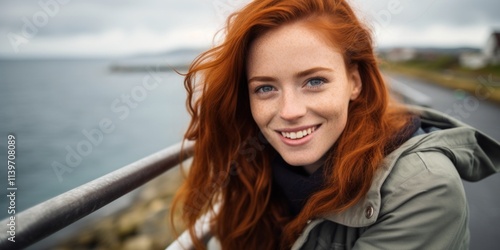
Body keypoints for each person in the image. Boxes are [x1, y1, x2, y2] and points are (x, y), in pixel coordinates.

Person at [171, 0, 500, 249]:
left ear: (354, 82)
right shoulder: (255, 171)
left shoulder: (425, 189)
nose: (289, 111)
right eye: (265, 88)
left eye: (313, 81)